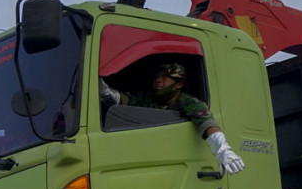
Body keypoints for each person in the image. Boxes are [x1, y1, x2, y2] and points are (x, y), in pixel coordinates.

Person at [99, 62, 245, 174]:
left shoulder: (188, 102)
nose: (158, 80)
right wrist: (104, 90)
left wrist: (223, 149)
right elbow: (121, 100)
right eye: (157, 76)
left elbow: (206, 122)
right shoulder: (146, 98)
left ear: (179, 84)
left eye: (165, 77)